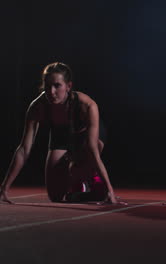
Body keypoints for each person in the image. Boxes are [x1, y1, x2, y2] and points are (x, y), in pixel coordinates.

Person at [0, 62, 122, 204]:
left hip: (85, 135)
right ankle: (78, 189)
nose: (51, 92)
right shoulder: (37, 107)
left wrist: (109, 190)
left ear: (68, 86)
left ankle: (91, 178)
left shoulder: (87, 105)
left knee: (81, 163)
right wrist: (4, 188)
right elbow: (23, 149)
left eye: (57, 85)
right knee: (55, 197)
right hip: (61, 134)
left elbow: (93, 149)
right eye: (47, 86)